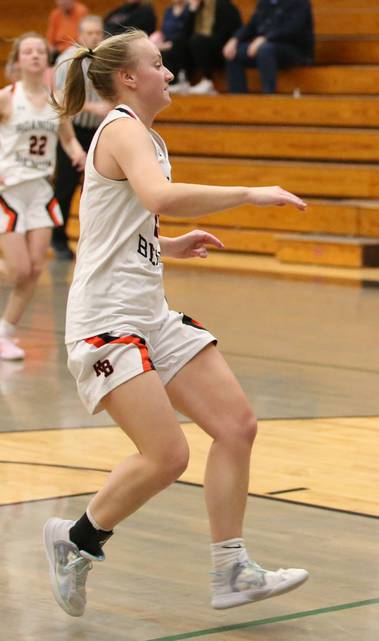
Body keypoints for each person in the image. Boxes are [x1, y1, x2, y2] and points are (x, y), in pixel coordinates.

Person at [44, 29, 309, 616]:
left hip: (149, 313)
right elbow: (158, 197)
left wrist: (164, 246)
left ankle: (232, 570)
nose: (168, 74)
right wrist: (248, 192)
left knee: (237, 424)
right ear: (129, 78)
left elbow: (118, 227)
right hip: (107, 321)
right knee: (167, 456)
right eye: (158, 65)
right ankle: (78, 538)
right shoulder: (120, 128)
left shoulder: (147, 137)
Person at [0, 33, 86, 360]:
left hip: (40, 192)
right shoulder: (7, 98)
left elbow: (68, 139)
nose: (35, 55)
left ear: (46, 60)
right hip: (9, 191)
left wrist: (80, 155)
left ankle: (5, 331)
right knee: (20, 271)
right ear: (18, 60)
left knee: (35, 269)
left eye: (40, 51)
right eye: (28, 51)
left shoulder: (56, 100)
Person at [52, 15, 111, 260]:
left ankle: (99, 243)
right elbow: (59, 96)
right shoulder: (68, 60)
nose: (94, 37)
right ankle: (58, 238)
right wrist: (91, 107)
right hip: (73, 129)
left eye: (98, 32)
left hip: (102, 131)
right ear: (80, 34)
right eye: (89, 33)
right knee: (65, 187)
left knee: (101, 188)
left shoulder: (109, 59)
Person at [223, 0, 314, 94]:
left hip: (295, 50)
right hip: (267, 48)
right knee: (233, 53)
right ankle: (238, 98)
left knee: (265, 50)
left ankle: (268, 96)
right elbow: (251, 26)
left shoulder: (299, 3)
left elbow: (292, 30)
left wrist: (266, 38)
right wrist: (235, 39)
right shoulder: (264, 3)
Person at [150, 0, 193, 91]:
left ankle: (182, 80)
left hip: (183, 43)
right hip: (167, 43)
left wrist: (170, 44)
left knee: (177, 45)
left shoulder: (189, 9)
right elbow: (164, 30)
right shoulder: (168, 10)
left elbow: (188, 31)